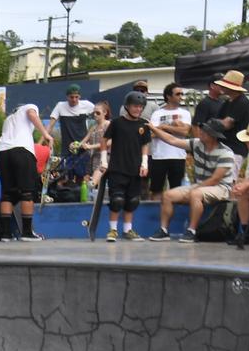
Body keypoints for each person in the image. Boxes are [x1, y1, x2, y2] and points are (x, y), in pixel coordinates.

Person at [146, 118, 235, 243]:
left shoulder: (226, 153)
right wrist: (154, 128)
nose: (201, 132)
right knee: (167, 195)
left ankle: (191, 231)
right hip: (200, 185)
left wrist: (195, 189)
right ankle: (164, 230)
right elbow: (173, 140)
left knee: (195, 194)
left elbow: (215, 179)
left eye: (205, 131)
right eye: (202, 129)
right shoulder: (197, 143)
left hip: (221, 187)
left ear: (214, 135)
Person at [0, 100, 53, 240]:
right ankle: (27, 232)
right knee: (27, 192)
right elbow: (32, 114)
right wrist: (46, 134)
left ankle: (6, 233)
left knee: (7, 193)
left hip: (2, 153)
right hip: (21, 152)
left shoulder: (8, 119)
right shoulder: (29, 107)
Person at [100, 91, 151, 242]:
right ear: (127, 106)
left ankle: (128, 230)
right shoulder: (116, 123)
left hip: (135, 168)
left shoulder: (143, 124)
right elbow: (104, 140)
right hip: (117, 168)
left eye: (141, 107)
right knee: (117, 200)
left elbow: (145, 145)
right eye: (135, 106)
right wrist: (104, 160)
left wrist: (144, 163)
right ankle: (113, 230)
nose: (138, 109)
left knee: (133, 200)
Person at [145, 83, 192, 201]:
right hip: (159, 156)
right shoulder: (157, 113)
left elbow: (185, 132)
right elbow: (151, 134)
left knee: (177, 190)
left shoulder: (185, 113)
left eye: (182, 94)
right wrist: (173, 129)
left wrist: (164, 127)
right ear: (168, 96)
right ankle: (155, 215)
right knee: (156, 189)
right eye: (178, 94)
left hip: (178, 156)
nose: (181, 96)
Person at [49, 84, 94, 196]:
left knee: (82, 177)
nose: (74, 99)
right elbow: (50, 125)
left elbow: (100, 117)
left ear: (79, 96)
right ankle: (65, 197)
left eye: (76, 97)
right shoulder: (60, 106)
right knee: (63, 177)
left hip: (83, 147)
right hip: (66, 149)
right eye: (71, 97)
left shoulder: (87, 105)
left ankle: (80, 198)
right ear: (67, 97)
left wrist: (88, 138)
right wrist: (40, 142)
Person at [214, 71, 249, 175]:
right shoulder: (227, 102)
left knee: (229, 180)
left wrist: (213, 124)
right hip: (224, 147)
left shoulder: (242, 102)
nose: (222, 87)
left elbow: (226, 124)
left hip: (235, 148)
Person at [78, 100, 111, 194]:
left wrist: (91, 146)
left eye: (98, 113)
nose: (95, 115)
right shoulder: (94, 127)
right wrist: (76, 145)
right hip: (93, 158)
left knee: (93, 183)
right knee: (89, 182)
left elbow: (109, 142)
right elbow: (84, 140)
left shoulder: (108, 124)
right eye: (94, 113)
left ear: (105, 113)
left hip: (106, 157)